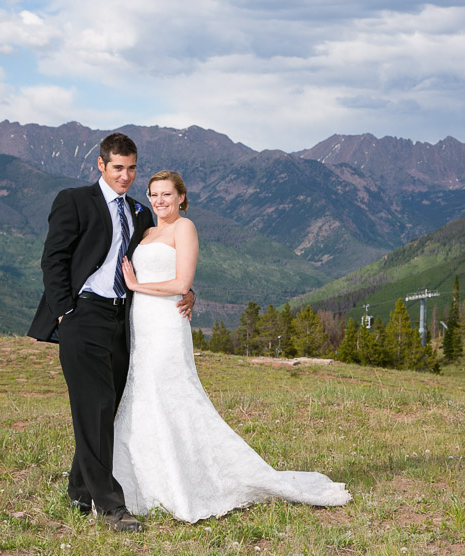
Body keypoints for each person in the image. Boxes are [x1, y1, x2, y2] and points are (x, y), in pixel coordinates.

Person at [113, 170, 351, 523]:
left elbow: (182, 282)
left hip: (166, 323)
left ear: (181, 196)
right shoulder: (147, 230)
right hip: (143, 324)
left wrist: (137, 285)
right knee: (143, 394)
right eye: (153, 194)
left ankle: (189, 482)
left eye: (166, 194)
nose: (159, 201)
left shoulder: (185, 228)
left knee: (171, 392)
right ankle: (144, 482)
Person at [27, 134, 195, 532]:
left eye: (132, 168)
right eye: (118, 167)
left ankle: (79, 492)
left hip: (124, 321)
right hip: (83, 315)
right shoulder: (74, 200)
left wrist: (186, 289)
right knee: (95, 406)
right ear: (101, 166)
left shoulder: (138, 211)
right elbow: (53, 259)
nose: (125, 175)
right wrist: (65, 310)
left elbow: (161, 261)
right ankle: (111, 507)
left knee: (106, 409)